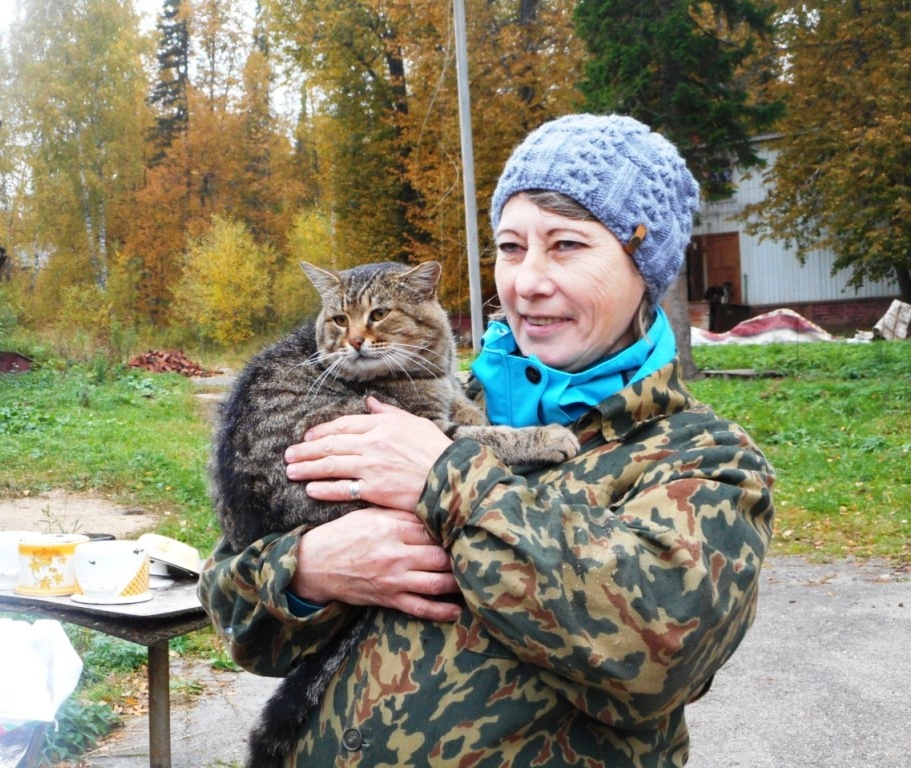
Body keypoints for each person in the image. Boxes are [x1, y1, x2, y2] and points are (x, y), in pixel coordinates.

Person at [198, 113, 775, 767]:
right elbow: (236, 615)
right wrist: (311, 569)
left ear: (644, 266)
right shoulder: (414, 403)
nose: (527, 281)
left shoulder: (705, 459)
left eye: (567, 246)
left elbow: (654, 657)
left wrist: (445, 475)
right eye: (510, 247)